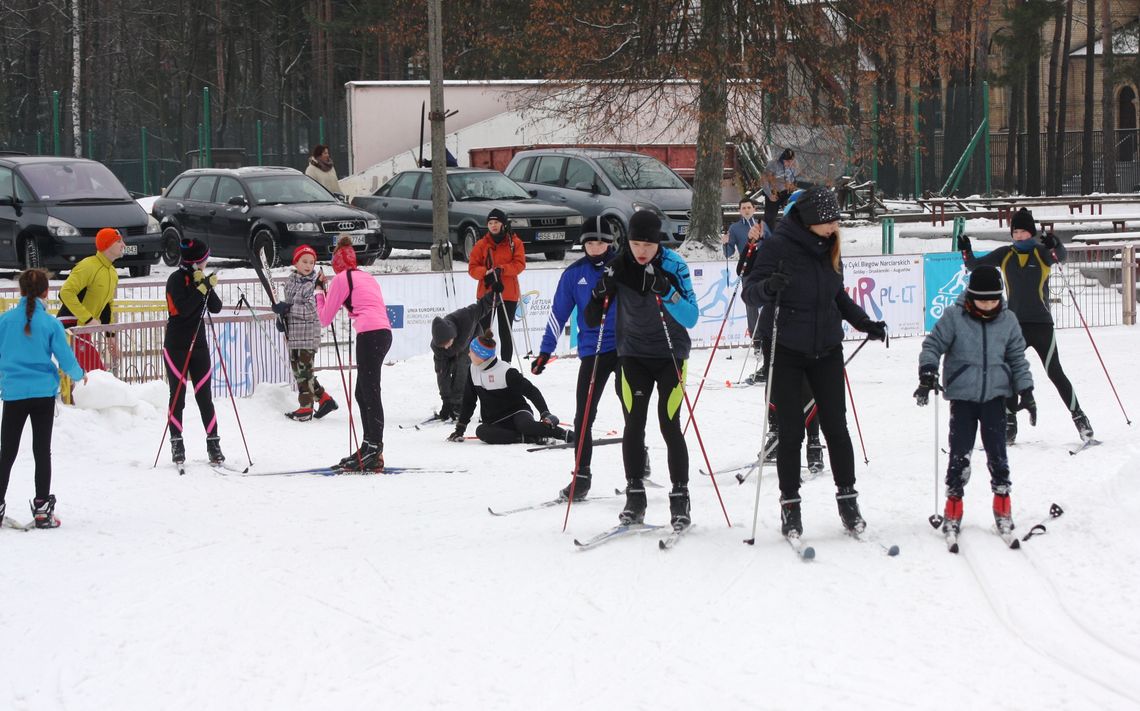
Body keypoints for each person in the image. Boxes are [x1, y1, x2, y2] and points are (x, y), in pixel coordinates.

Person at [742, 186, 887, 539]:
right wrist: (769, 287)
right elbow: (750, 290)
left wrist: (864, 322)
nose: (835, 225)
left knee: (836, 427)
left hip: (826, 349)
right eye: (829, 220)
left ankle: (848, 500)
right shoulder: (777, 247)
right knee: (791, 432)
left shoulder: (829, 247)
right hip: (788, 350)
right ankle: (790, 506)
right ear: (809, 221)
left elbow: (837, 295)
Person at [585, 210, 698, 532]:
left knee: (669, 423)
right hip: (632, 354)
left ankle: (680, 497)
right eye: (635, 243)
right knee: (633, 424)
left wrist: (667, 289)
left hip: (670, 354)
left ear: (658, 242)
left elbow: (691, 317)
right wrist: (598, 293)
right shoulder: (619, 264)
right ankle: (635, 497)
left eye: (648, 244)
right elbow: (592, 320)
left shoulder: (674, 265)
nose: (641, 251)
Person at [915, 265, 1034, 538]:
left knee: (998, 454)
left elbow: (1017, 358)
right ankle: (953, 507)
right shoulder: (955, 317)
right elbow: (932, 345)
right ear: (970, 296)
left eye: (993, 300)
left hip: (995, 398)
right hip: (962, 398)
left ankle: (1003, 508)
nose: (988, 305)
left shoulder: (1008, 320)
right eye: (982, 300)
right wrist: (927, 373)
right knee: (959, 455)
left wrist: (1026, 390)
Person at [959, 208, 1093, 445]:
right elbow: (975, 266)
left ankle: (1081, 419)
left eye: (1023, 231)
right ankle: (1009, 425)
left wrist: (1055, 244)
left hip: (1042, 325)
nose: (1019, 236)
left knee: (1055, 373)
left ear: (1031, 233)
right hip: (1015, 326)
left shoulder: (1041, 253)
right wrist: (966, 252)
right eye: (1015, 232)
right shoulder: (1005, 254)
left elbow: (1059, 256)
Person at [532, 216, 621, 501]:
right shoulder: (574, 274)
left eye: (601, 242)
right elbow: (558, 314)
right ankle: (581, 477)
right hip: (593, 351)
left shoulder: (623, 266)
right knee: (583, 416)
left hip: (626, 349)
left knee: (633, 408)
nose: (595, 247)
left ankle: (639, 457)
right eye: (590, 242)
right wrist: (545, 351)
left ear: (610, 243)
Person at [0, 269, 86, 529]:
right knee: (41, 451)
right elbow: (66, 358)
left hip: (13, 394)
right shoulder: (51, 323)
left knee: (7, 452)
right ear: (46, 293)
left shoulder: (4, 321)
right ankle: (42, 510)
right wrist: (80, 374)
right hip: (42, 395)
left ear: (21, 291)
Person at [317, 236, 392, 471]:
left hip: (369, 334)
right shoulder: (366, 276)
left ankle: (374, 448)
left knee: (369, 392)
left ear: (336, 264)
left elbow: (324, 318)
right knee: (362, 392)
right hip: (382, 333)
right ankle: (368, 444)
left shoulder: (341, 279)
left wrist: (320, 292)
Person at [448, 330, 572, 446]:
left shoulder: (506, 371)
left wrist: (545, 412)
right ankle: (530, 438)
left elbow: (531, 391)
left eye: (471, 352)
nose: (468, 354)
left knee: (526, 426)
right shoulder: (472, 370)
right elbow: (469, 401)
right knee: (481, 431)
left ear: (481, 356)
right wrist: (460, 428)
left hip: (517, 412)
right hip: (495, 421)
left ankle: (564, 434)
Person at [164, 238, 224, 466]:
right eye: (205, 259)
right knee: (177, 397)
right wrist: (201, 288)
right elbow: (184, 309)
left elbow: (215, 308)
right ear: (197, 261)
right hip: (176, 345)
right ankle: (177, 443)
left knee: (204, 396)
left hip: (199, 345)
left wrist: (207, 286)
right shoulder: (175, 280)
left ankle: (213, 443)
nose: (207, 262)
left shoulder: (201, 280)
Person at [272, 244, 337, 422]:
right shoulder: (291, 282)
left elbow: (311, 309)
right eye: (304, 261)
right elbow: (287, 304)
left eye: (312, 262)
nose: (308, 265)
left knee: (303, 373)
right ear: (296, 262)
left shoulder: (315, 284)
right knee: (301, 371)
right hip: (294, 333)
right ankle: (325, 400)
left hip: (308, 334)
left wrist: (288, 308)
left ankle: (305, 408)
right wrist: (281, 317)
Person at [57, 227, 125, 370]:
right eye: (119, 241)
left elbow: (107, 307)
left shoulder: (112, 272)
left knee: (90, 375)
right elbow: (65, 293)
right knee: (95, 373)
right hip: (70, 325)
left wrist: (110, 337)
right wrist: (88, 318)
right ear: (108, 245)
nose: (123, 245)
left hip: (83, 329)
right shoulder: (88, 265)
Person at [467, 208, 526, 363]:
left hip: (508, 293)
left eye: (496, 222)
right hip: (487, 293)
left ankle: (506, 365)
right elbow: (472, 269)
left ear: (503, 224)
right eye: (490, 223)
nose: (493, 226)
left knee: (505, 332)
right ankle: (482, 362)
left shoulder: (515, 243)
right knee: (483, 331)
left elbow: (520, 265)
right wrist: (486, 272)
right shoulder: (481, 244)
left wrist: (503, 269)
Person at [430, 293, 493, 422]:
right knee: (448, 369)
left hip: (471, 342)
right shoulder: (438, 347)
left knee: (462, 366)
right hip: (456, 350)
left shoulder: (465, 317)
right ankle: (451, 404)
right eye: (442, 346)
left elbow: (481, 306)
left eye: (447, 343)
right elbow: (442, 373)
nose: (446, 347)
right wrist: (446, 400)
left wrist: (495, 293)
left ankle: (458, 405)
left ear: (452, 335)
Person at [761, 148, 798, 230]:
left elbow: (792, 178)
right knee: (770, 217)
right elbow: (764, 180)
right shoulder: (773, 164)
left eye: (791, 161)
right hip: (773, 192)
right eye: (787, 161)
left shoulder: (793, 166)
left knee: (793, 212)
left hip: (786, 192)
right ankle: (768, 235)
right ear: (782, 159)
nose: (789, 163)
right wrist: (769, 195)